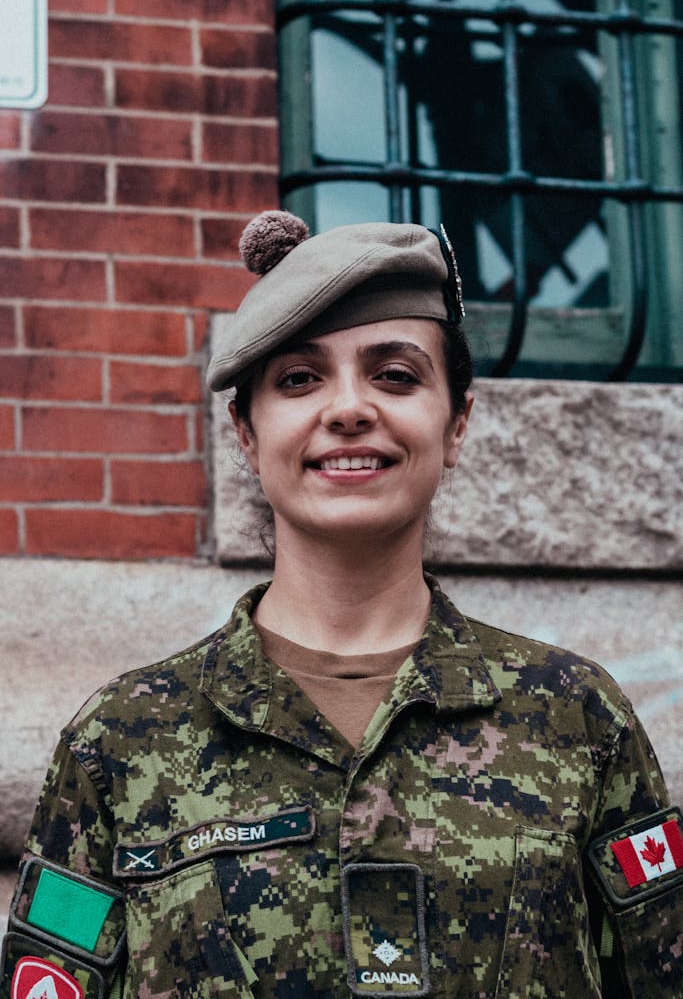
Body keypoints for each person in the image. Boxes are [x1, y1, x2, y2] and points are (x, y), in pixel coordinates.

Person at [1, 212, 681, 999]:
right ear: (248, 435)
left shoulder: (577, 719)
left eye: (394, 375)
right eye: (299, 378)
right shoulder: (120, 741)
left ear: (456, 422)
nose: (348, 408)